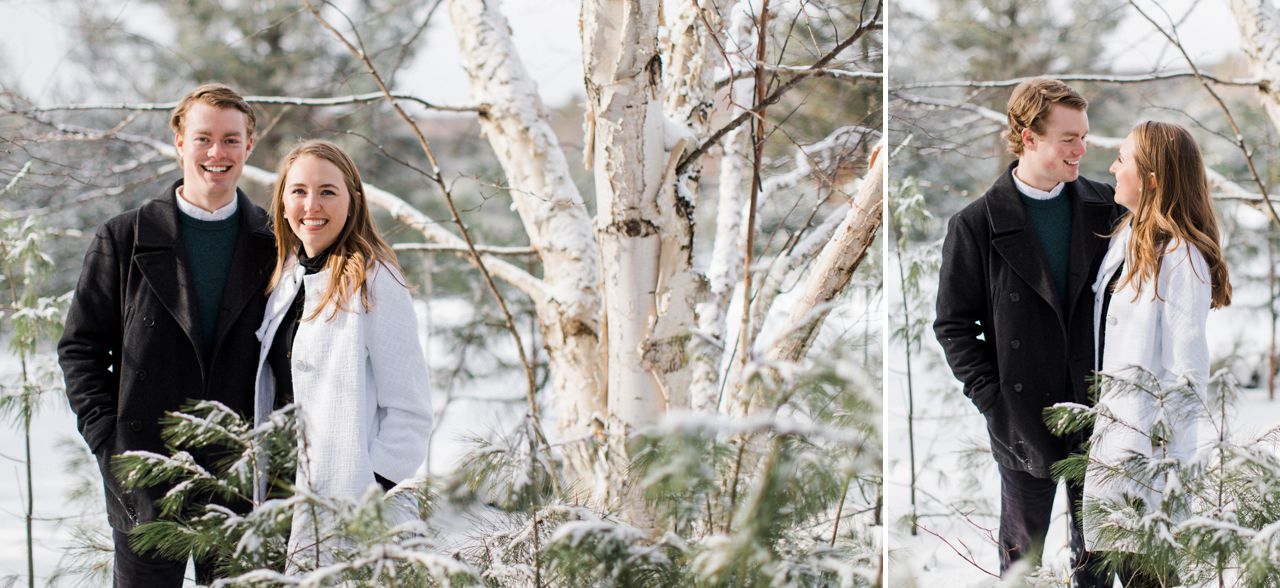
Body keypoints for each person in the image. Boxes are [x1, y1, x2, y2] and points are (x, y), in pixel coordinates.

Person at [59, 83, 275, 586]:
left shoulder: (274, 242)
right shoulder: (124, 237)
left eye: (230, 139)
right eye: (203, 138)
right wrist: (109, 442)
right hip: (146, 473)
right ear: (179, 141)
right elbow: (80, 349)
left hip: (244, 478)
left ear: (249, 145)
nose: (217, 152)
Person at [933, 78, 1119, 584]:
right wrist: (994, 401)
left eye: (1084, 136)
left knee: (1098, 563)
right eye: (1068, 139)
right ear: (1028, 137)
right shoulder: (976, 224)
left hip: (1100, 413)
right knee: (1022, 566)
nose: (1081, 149)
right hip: (1021, 418)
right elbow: (953, 325)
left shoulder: (1108, 207)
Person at [251, 139, 433, 568]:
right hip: (277, 496)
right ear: (282, 203)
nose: (311, 205)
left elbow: (410, 411)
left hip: (346, 509)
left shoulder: (375, 281)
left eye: (327, 191)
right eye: (299, 191)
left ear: (353, 201)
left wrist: (367, 492)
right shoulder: (286, 280)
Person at [1085, 121, 1231, 586]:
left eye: (1122, 159)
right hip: (1114, 446)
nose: (1113, 168)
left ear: (1151, 179)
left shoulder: (1182, 258)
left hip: (1150, 460)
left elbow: (1187, 373)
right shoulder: (1127, 238)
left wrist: (1162, 464)